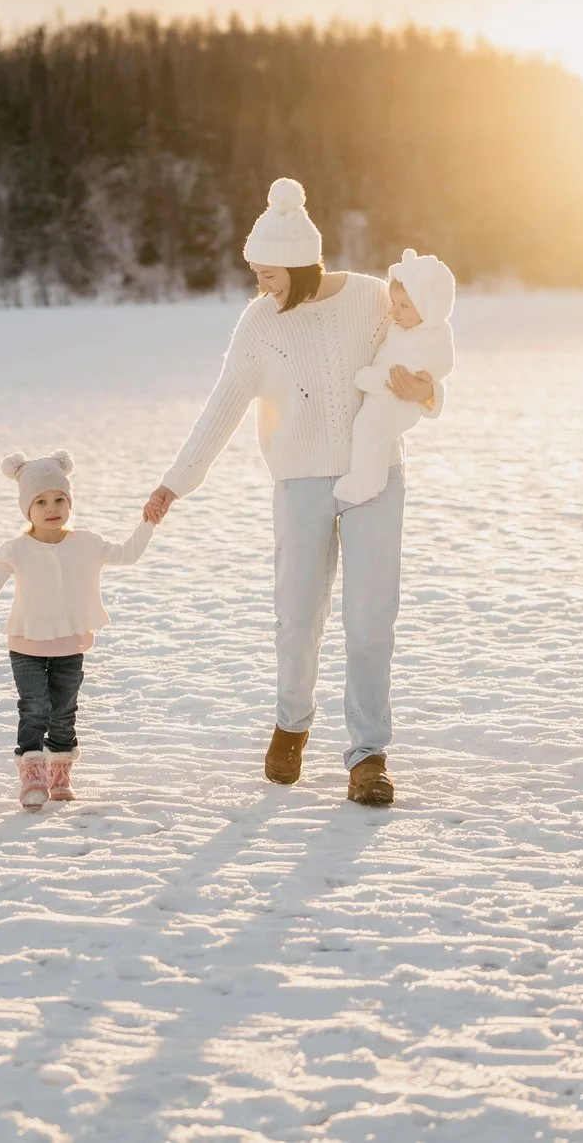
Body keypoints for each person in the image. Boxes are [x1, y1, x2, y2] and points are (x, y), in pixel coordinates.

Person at [142, 178, 444, 807]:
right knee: (299, 614)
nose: (261, 285)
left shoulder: (369, 299)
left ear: (303, 264)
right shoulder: (260, 322)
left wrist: (429, 394)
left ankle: (368, 753)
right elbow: (223, 405)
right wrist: (176, 482)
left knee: (370, 618)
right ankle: (292, 723)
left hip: (375, 476)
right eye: (256, 273)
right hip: (301, 480)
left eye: (270, 273)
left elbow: (428, 341)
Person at [0, 450, 159, 808]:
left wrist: (148, 523)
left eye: (60, 499)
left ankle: (59, 771)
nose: (52, 508)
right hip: (26, 645)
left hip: (69, 646)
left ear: (70, 503)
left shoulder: (87, 543)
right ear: (27, 509)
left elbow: (127, 554)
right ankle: (32, 774)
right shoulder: (16, 549)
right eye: (41, 501)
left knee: (63, 711)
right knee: (34, 707)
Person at [333, 248, 457, 505]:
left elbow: (400, 375)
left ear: (428, 307)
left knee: (370, 429)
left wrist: (368, 379)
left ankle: (366, 481)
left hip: (398, 401)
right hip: (388, 398)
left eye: (403, 306)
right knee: (370, 433)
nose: (395, 312)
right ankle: (368, 478)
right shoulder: (405, 328)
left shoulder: (430, 337)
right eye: (394, 304)